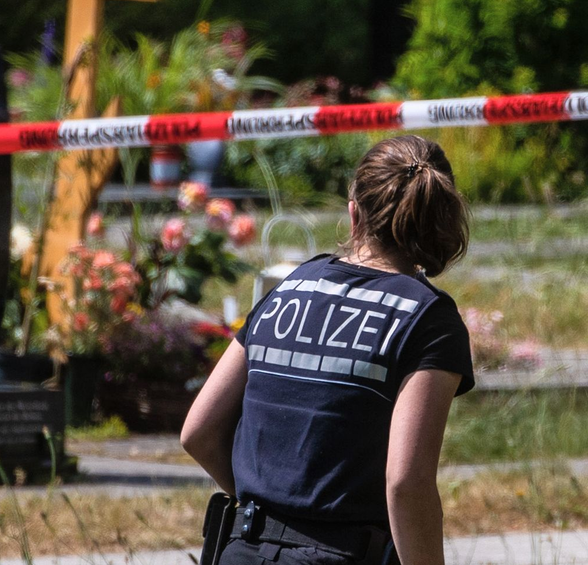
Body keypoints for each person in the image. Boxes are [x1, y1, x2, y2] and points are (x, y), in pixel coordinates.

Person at [181, 135, 475, 565]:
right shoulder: (428, 318)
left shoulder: (292, 286)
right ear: (440, 217)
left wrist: (270, 508)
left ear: (354, 213)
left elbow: (199, 433)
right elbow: (406, 483)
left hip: (241, 549)